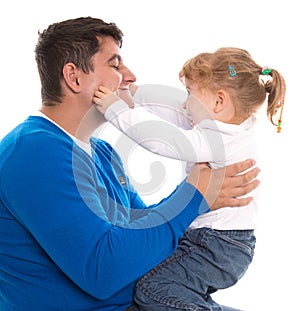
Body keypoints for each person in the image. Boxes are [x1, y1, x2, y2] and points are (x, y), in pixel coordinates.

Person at [0, 17, 260, 311]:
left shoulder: (102, 153)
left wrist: (201, 197)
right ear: (75, 77)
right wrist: (194, 195)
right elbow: (103, 272)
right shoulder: (33, 152)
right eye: (115, 64)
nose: (131, 76)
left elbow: (143, 234)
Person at [93, 47, 286, 310]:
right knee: (174, 289)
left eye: (190, 93)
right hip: (223, 243)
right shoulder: (233, 125)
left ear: (219, 101)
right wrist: (133, 96)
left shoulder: (215, 139)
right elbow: (177, 112)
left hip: (216, 244)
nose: (185, 103)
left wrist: (116, 110)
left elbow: (164, 141)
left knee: (153, 290)